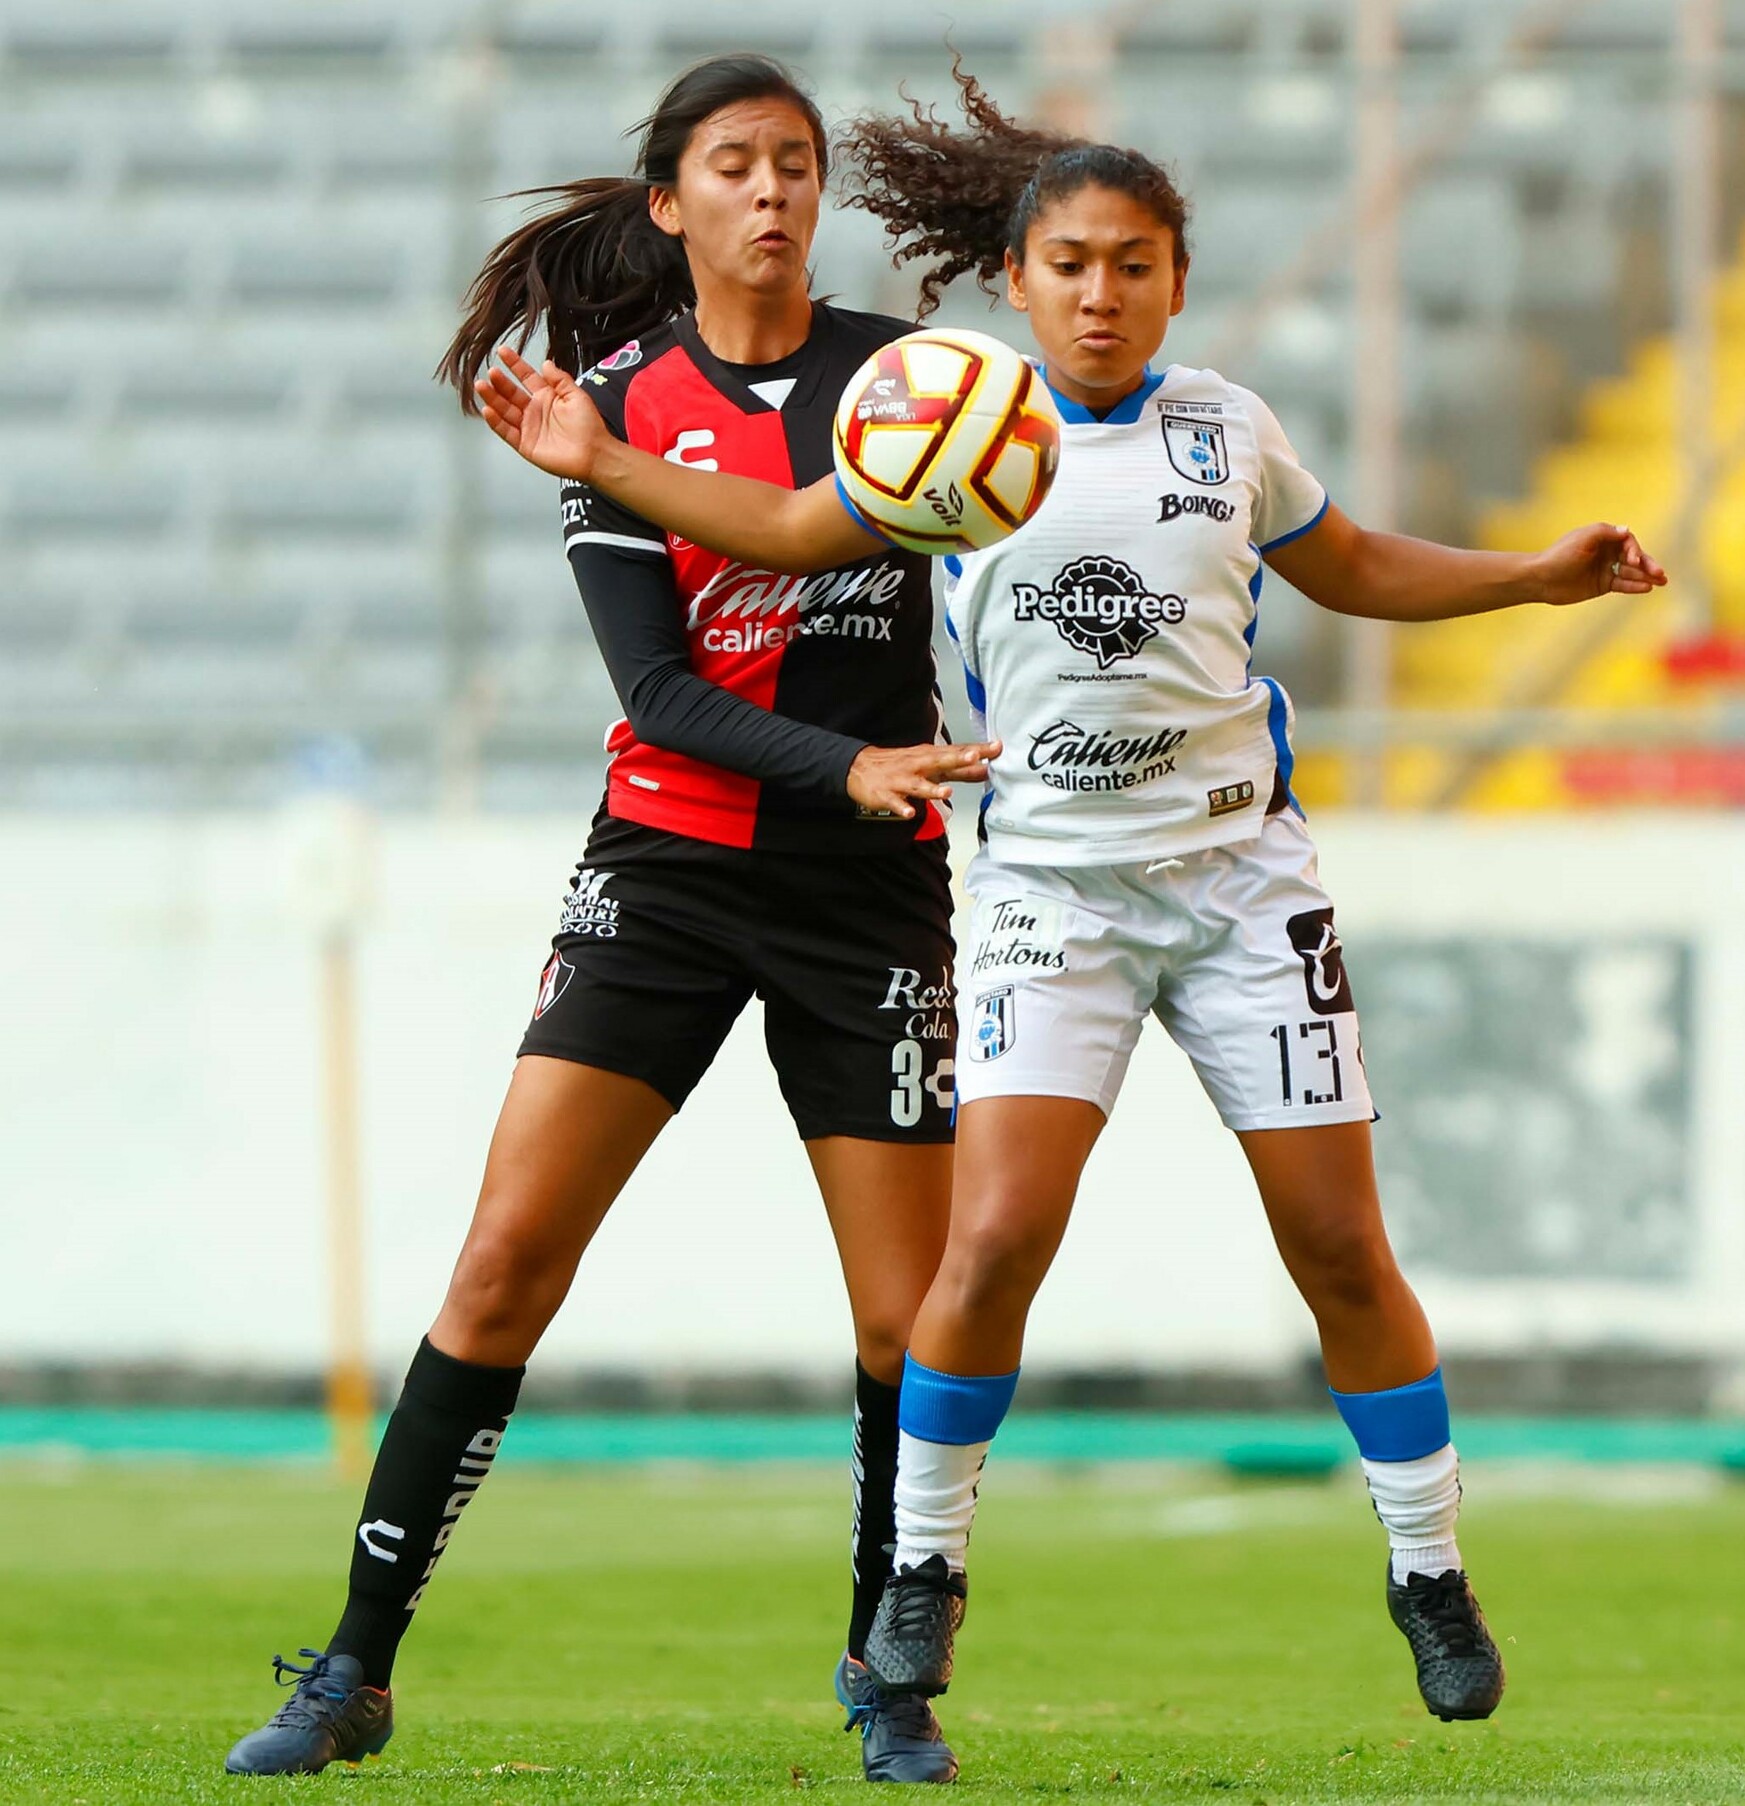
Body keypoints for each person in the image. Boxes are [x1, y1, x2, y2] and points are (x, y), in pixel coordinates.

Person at [472, 70, 1666, 1731]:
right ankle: (921, 1575)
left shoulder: (1227, 430)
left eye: (1134, 264)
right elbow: (775, 521)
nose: (1101, 293)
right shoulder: (958, 437)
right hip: (1048, 895)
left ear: (1178, 279)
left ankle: (1428, 1568)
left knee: (1338, 1243)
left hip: (1246, 887)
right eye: (1071, 266)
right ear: (1015, 285)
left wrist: (1539, 572)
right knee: (996, 1240)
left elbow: (1358, 565)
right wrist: (601, 456)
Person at [223, 55, 986, 1785]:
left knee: (902, 1322)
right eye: (736, 163)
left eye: (798, 162)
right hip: (666, 866)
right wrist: (848, 759)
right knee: (503, 1264)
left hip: (863, 886)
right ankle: (353, 1667)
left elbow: (1005, 553)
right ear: (672, 204)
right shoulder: (613, 405)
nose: (777, 189)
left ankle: (890, 1677)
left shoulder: (913, 387)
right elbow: (659, 690)